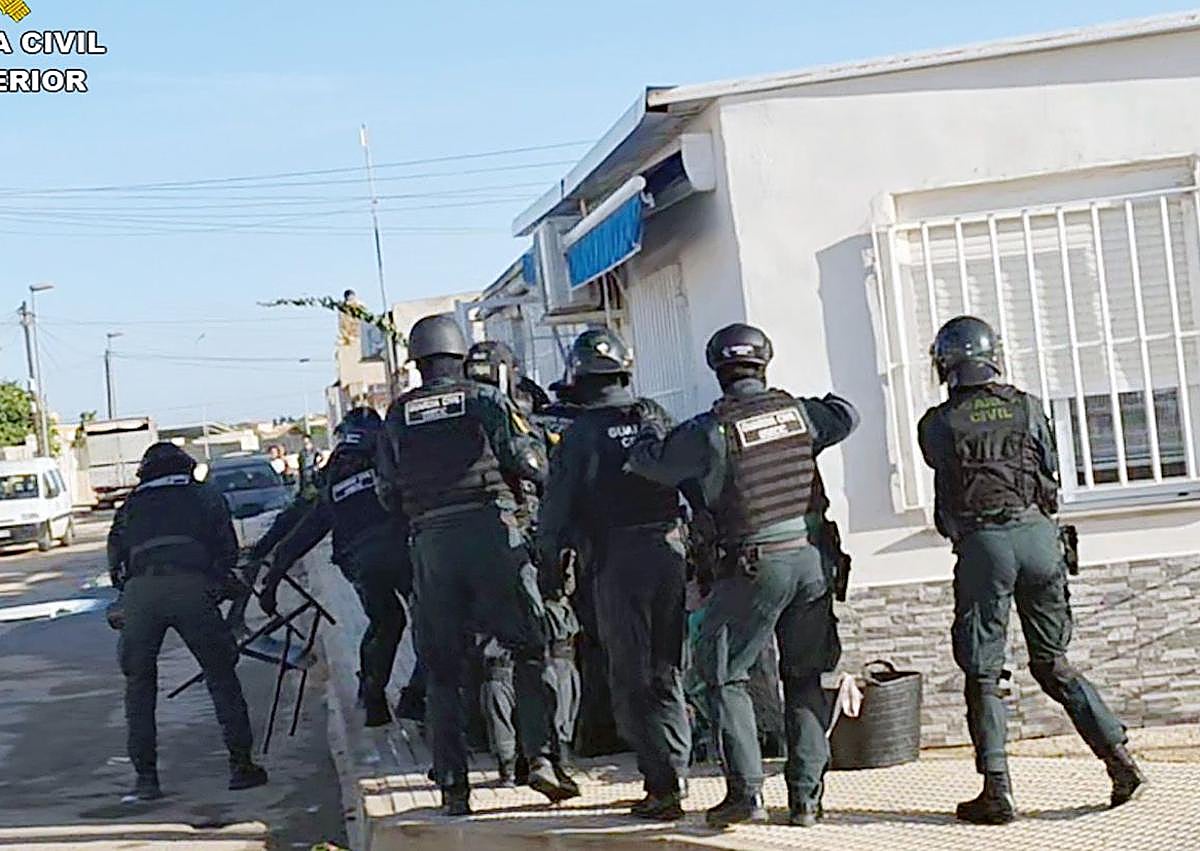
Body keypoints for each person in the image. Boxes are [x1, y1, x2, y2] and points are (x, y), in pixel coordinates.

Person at [626, 323, 857, 828]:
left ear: (718, 369)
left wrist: (648, 427)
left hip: (755, 566)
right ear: (764, 363)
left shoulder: (709, 431)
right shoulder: (802, 416)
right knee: (805, 677)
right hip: (813, 561)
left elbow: (649, 465)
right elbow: (845, 414)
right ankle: (806, 801)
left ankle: (746, 795)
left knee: (723, 674)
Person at [918, 315, 1145, 824]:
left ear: (946, 363)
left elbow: (943, 480)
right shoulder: (1028, 406)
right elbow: (1049, 466)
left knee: (983, 672)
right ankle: (1121, 763)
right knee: (1054, 663)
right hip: (1040, 540)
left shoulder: (937, 422)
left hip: (986, 547)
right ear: (993, 355)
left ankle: (997, 790)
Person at [376, 313, 576, 815]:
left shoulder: (398, 414)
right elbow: (530, 462)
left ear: (418, 362)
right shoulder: (486, 399)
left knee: (443, 671)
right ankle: (543, 762)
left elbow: (385, 491)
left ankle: (453, 787)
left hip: (432, 546)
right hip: (492, 535)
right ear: (461, 354)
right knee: (529, 649)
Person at [538, 328, 692, 821]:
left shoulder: (580, 435)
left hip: (618, 562)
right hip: (671, 553)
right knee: (667, 668)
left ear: (579, 379)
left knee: (631, 677)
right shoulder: (656, 418)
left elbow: (554, 515)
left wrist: (548, 575)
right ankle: (677, 771)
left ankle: (662, 787)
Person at [106, 442, 268, 801]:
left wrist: (131, 594)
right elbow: (227, 551)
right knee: (221, 675)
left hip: (140, 592)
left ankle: (146, 779)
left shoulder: (130, 505)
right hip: (191, 585)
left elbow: (116, 561)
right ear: (185, 466)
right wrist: (215, 586)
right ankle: (242, 766)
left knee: (139, 686)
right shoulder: (204, 495)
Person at [464, 341, 582, 787]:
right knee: (558, 646)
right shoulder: (518, 419)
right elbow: (547, 475)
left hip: (469, 551)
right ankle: (555, 753)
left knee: (495, 656)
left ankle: (505, 760)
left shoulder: (444, 423)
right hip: (528, 542)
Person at [258, 407, 411, 728]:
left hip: (360, 563)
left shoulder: (331, 480)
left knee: (385, 623)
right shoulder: (391, 462)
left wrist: (270, 580)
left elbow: (300, 531)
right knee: (431, 620)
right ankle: (419, 696)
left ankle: (373, 696)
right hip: (403, 552)